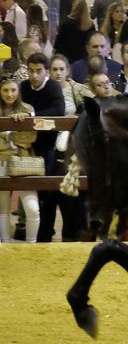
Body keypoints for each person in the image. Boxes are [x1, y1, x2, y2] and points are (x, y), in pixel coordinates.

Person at [20, 53, 65, 242]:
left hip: (47, 147)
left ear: (46, 71)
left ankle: (46, 233)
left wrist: (31, 115)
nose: (34, 75)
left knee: (47, 192)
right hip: (25, 145)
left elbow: (58, 112)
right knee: (27, 191)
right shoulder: (23, 87)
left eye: (39, 71)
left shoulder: (53, 87)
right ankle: (28, 230)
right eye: (31, 71)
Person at [49, 54, 93, 241]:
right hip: (51, 146)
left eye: (61, 69)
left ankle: (81, 235)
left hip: (76, 148)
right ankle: (63, 236)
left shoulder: (79, 90)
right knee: (56, 195)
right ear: (49, 72)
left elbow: (95, 107)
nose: (58, 73)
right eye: (54, 69)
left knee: (79, 195)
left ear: (67, 71)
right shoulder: (45, 91)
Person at [0, 76, 40, 243]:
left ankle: (32, 245)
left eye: (13, 90)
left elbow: (30, 138)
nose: (10, 94)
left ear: (19, 91)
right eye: (5, 90)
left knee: (33, 209)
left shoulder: (27, 108)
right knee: (2, 208)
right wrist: (13, 134)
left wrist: (6, 136)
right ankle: (5, 244)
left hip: (24, 161)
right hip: (1, 161)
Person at [54, 0, 95, 64]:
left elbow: (58, 42)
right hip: (83, 58)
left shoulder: (66, 23)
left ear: (74, 7)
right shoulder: (90, 25)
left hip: (67, 57)